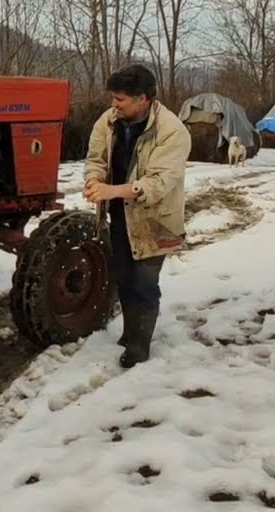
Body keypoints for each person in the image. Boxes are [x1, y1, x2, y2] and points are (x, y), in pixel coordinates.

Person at [83, 64, 190, 368]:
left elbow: (157, 185)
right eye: (113, 98)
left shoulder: (173, 132)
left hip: (156, 219)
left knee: (144, 283)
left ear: (143, 98)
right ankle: (131, 332)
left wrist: (110, 191)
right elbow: (96, 159)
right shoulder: (109, 121)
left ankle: (139, 345)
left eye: (120, 99)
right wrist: (94, 181)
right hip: (119, 213)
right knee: (124, 277)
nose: (113, 104)